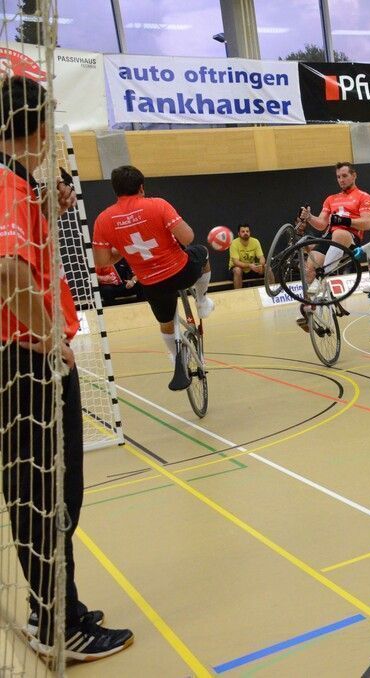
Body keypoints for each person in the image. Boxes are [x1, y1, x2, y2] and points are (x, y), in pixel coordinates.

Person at [0, 75, 134, 661]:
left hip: (23, 358)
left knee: (44, 494)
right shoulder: (6, 183)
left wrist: (47, 204)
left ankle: (52, 607)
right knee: (50, 495)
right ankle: (60, 625)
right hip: (30, 362)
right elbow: (8, 273)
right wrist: (52, 339)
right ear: (30, 127)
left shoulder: (20, 184)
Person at [92, 165, 213, 391]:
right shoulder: (158, 204)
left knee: (166, 323)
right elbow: (187, 237)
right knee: (202, 253)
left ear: (115, 190)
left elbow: (102, 261)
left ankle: (174, 356)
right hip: (180, 272)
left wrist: (126, 250)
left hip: (152, 284)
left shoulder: (103, 219)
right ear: (141, 187)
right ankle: (202, 301)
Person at [296, 162, 370, 330]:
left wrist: (345, 221)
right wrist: (309, 217)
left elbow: (367, 223)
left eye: (345, 176)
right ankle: (309, 311)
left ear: (354, 176)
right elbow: (321, 224)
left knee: (338, 233)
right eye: (338, 177)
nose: (341, 180)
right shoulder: (331, 199)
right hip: (331, 239)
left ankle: (322, 276)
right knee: (310, 266)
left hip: (351, 239)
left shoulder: (364, 196)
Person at [229, 223, 265, 289]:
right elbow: (236, 262)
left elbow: (261, 257)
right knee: (237, 270)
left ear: (250, 232)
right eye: (243, 231)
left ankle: (272, 295)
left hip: (252, 269)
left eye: (247, 231)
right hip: (237, 270)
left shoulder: (255, 241)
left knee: (267, 268)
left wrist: (261, 265)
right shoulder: (234, 243)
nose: (245, 233)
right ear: (238, 234)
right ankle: (238, 294)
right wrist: (250, 265)